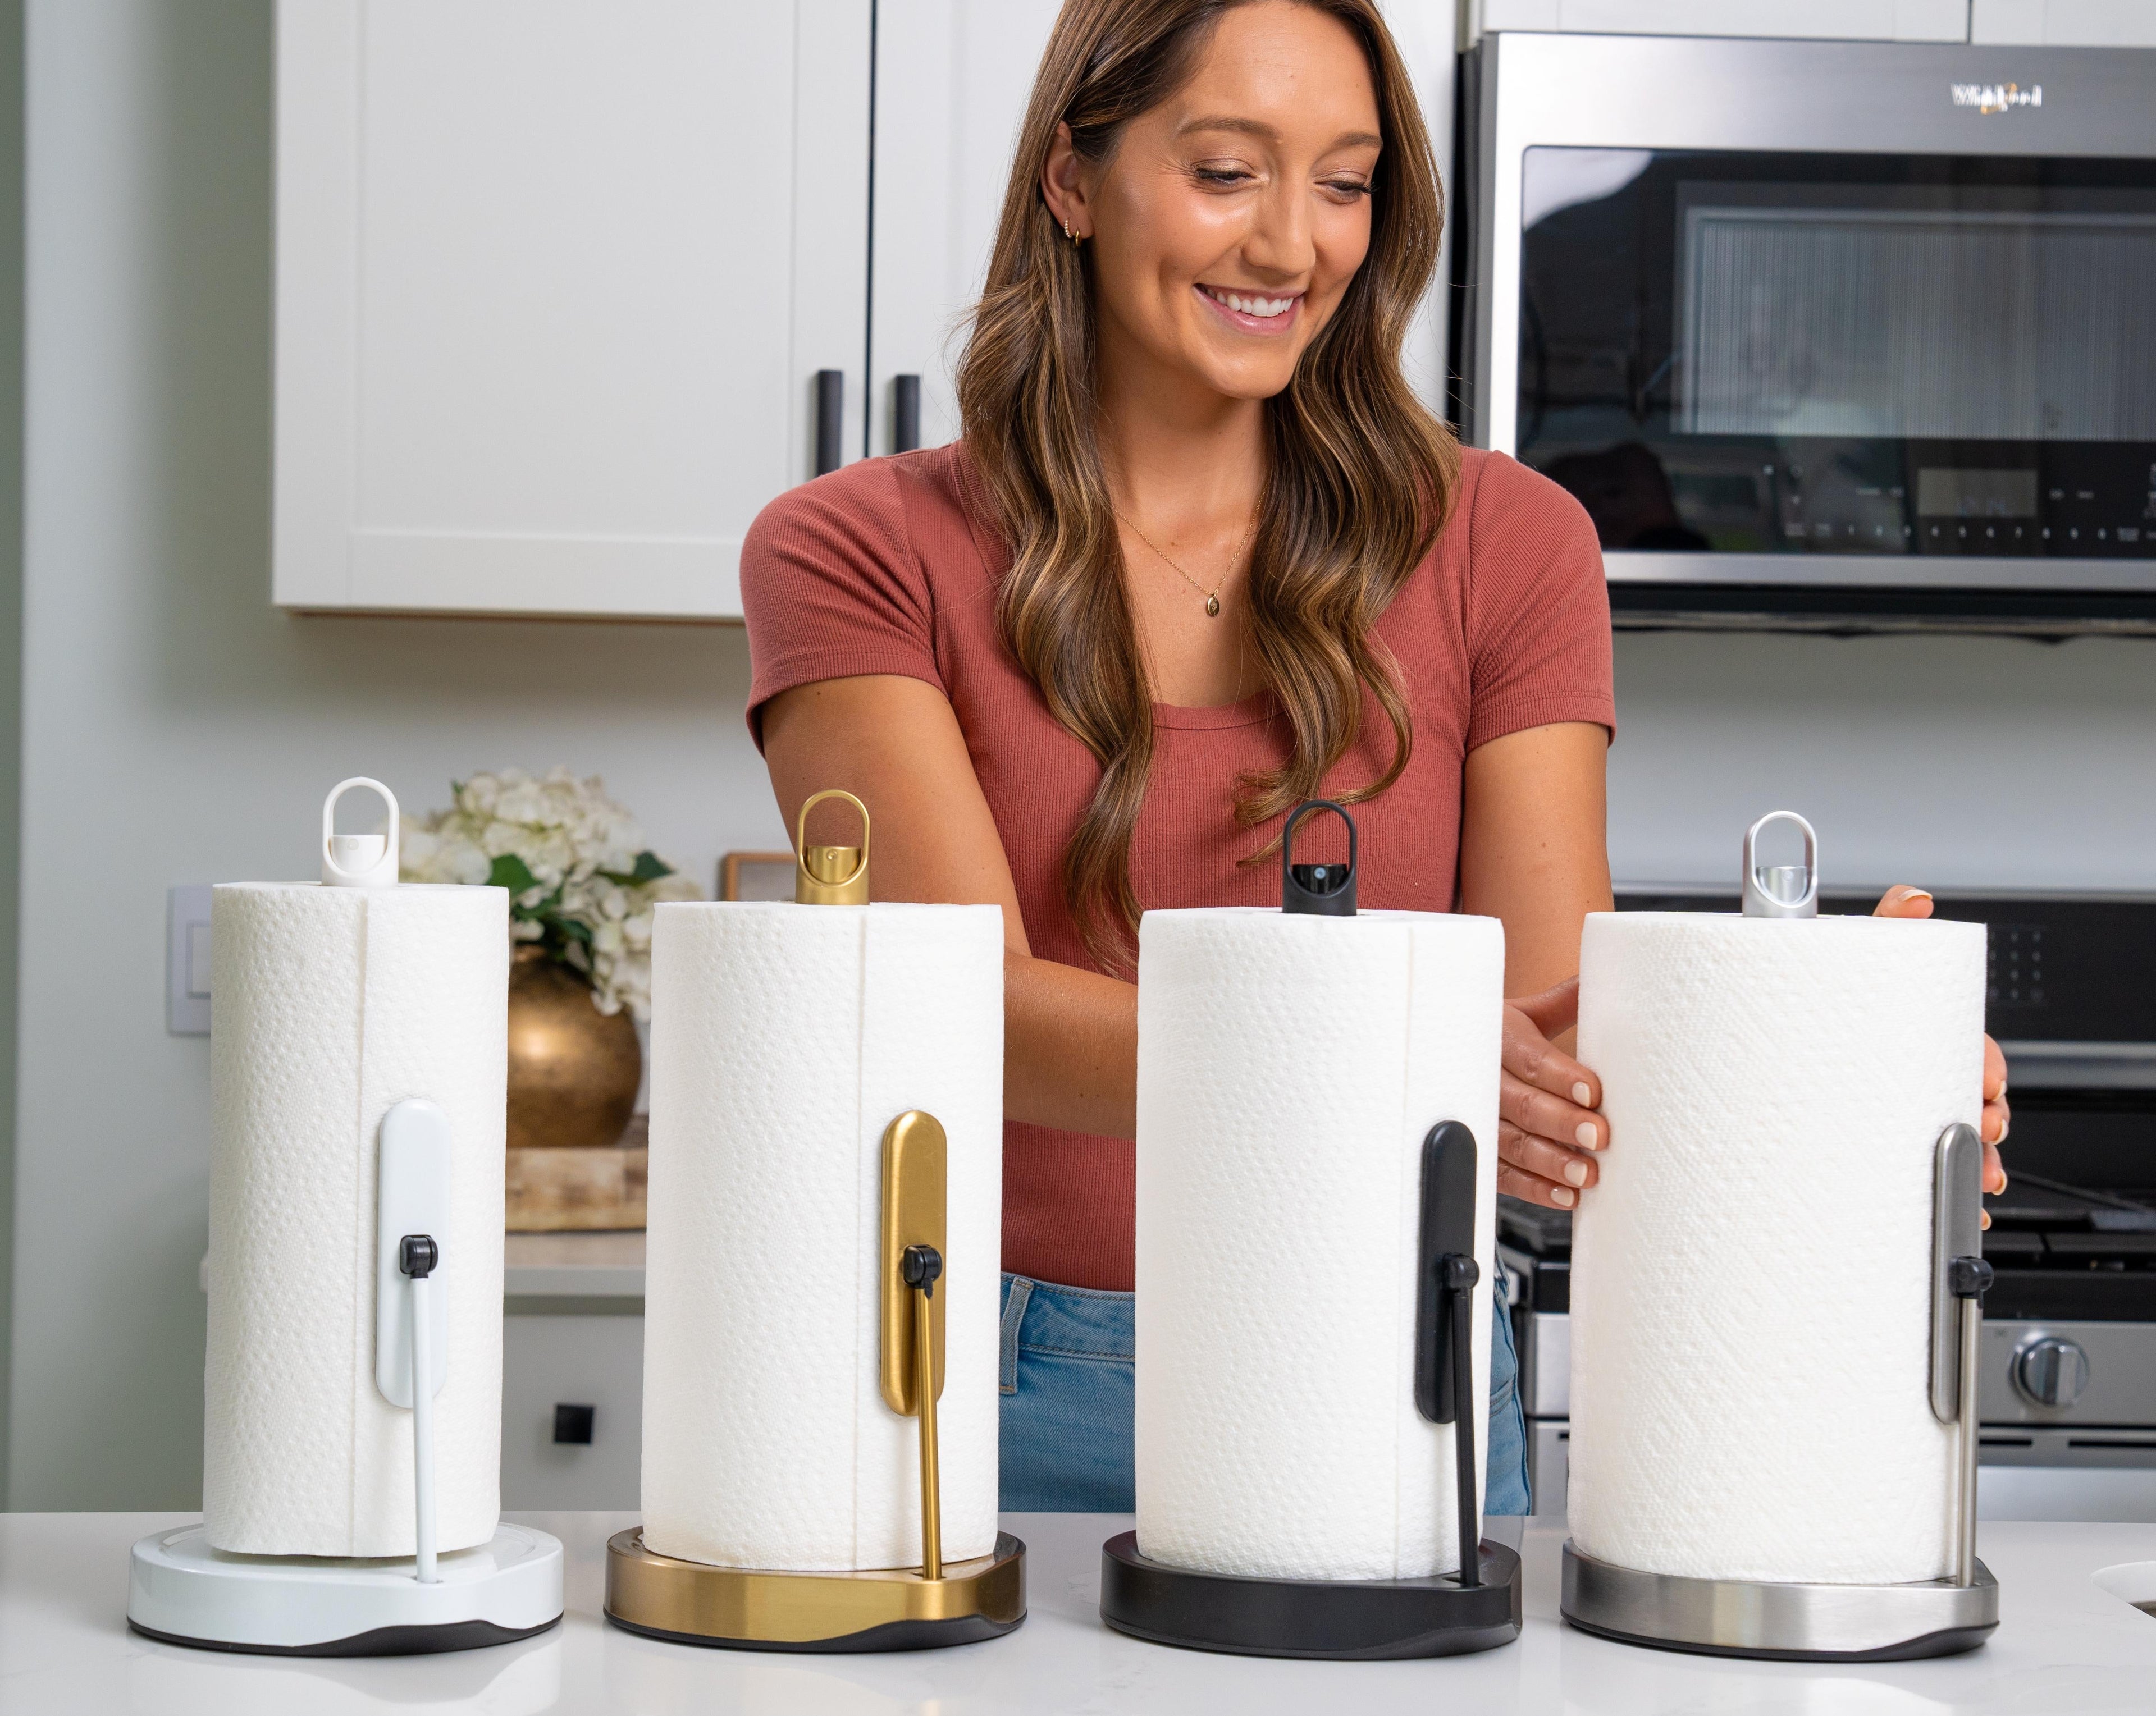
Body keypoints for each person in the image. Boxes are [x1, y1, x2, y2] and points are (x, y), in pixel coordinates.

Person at [739, 0, 2008, 1512]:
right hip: (988, 1374)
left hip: (1406, 1362)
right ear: (1073, 182)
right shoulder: (855, 550)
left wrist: (1828, 1058)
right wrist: (1389, 1051)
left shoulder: (1507, 542)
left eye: (1344, 186)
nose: (1292, 246)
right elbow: (968, 1011)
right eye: (1227, 173)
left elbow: (1547, 1019)